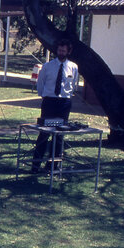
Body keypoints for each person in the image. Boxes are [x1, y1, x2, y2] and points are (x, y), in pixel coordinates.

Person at [31, 39, 79, 173]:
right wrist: (45, 96)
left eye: (64, 51)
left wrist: (66, 95)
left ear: (68, 52)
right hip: (49, 102)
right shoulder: (47, 66)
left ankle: (52, 166)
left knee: (59, 135)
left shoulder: (73, 67)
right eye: (59, 50)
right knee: (44, 134)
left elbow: (73, 84)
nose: (61, 53)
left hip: (64, 103)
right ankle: (35, 165)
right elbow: (41, 83)